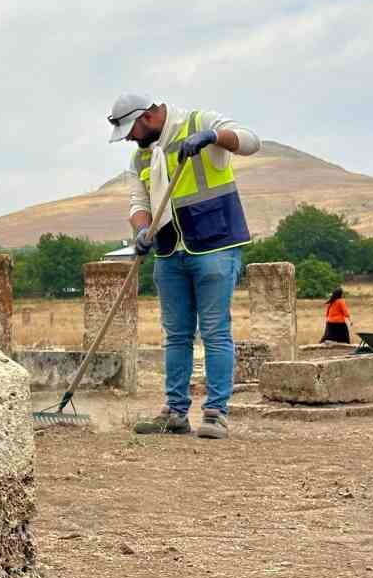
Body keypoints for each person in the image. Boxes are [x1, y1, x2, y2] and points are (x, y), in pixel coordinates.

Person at [107, 92, 260, 440]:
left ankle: (216, 412)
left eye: (131, 130)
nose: (130, 138)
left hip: (215, 244)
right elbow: (138, 202)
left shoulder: (199, 122)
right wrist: (142, 229)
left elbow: (251, 142)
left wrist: (213, 137)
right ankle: (175, 412)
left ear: (147, 117)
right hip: (168, 250)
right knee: (176, 336)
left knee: (215, 332)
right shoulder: (139, 158)